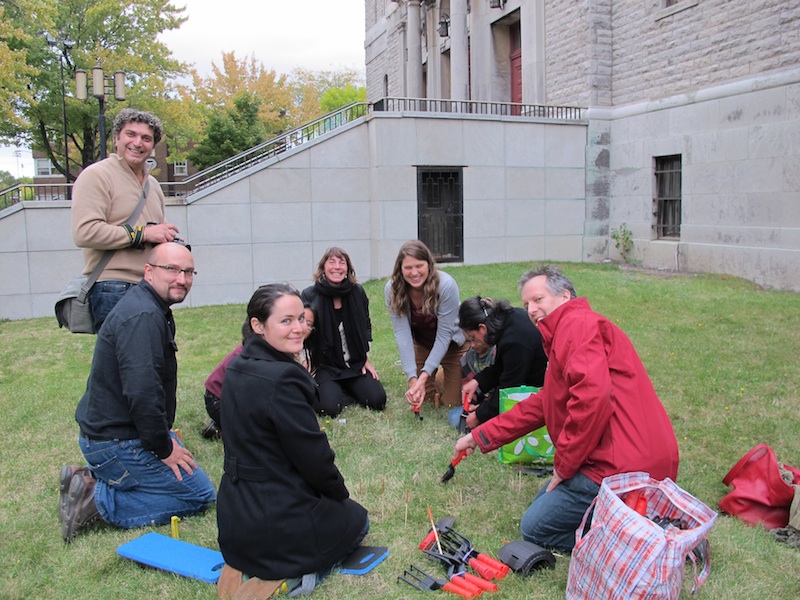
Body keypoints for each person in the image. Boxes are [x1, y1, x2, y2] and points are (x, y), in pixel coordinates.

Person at [454, 265, 679, 552]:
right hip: (637, 456)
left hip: (621, 466)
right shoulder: (568, 332)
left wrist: (564, 466)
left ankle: (644, 537)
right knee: (541, 505)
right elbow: (543, 404)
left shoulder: (576, 326)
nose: (532, 310)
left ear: (565, 296)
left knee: (535, 527)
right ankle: (635, 521)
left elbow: (591, 399)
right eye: (526, 304)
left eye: (538, 299)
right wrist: (481, 436)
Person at [216, 284, 369, 595]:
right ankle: (299, 573)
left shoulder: (237, 366)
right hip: (274, 523)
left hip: (235, 518)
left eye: (301, 318)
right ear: (258, 326)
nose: (299, 328)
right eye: (286, 321)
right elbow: (314, 458)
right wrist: (339, 496)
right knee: (357, 519)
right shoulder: (282, 379)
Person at [58, 242, 216, 543]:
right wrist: (164, 448)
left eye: (188, 272)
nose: (181, 279)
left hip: (126, 433)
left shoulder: (151, 307)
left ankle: (89, 478)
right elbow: (142, 393)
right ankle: (94, 499)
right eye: (171, 269)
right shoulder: (142, 316)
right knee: (198, 495)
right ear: (148, 271)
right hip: (116, 442)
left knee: (187, 474)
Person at [71, 108, 183, 331]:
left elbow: (152, 235)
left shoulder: (154, 186)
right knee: (129, 363)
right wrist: (144, 233)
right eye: (130, 134)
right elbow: (85, 232)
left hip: (151, 286)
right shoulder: (97, 175)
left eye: (146, 138)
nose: (138, 143)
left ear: (153, 146)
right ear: (116, 139)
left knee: (156, 362)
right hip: (113, 286)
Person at [201, 303, 317, 439]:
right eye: (286, 321)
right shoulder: (252, 355)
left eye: (302, 321)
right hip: (218, 399)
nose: (298, 328)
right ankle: (220, 427)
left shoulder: (275, 347)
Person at [385, 240, 469, 412]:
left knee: (452, 404)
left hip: (453, 344)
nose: (414, 272)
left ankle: (445, 373)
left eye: (419, 266)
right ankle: (434, 374)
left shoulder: (446, 285)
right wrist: (412, 378)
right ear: (400, 268)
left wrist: (423, 376)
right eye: (408, 267)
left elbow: (444, 335)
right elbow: (402, 335)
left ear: (429, 265)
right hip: (423, 343)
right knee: (426, 401)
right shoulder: (392, 289)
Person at [301, 247, 386, 417]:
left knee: (377, 400)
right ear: (323, 267)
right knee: (329, 408)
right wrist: (305, 360)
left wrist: (365, 358)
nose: (337, 267)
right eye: (331, 262)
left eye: (342, 262)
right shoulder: (309, 295)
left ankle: (343, 389)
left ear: (348, 268)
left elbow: (366, 326)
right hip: (325, 365)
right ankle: (334, 390)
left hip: (353, 364)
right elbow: (303, 332)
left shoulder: (357, 292)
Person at [457, 296, 548, 429]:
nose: (472, 344)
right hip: (529, 387)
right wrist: (477, 382)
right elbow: (503, 366)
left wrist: (479, 416)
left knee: (456, 418)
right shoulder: (511, 318)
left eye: (473, 338)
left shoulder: (515, 341)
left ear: (482, 328)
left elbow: (508, 389)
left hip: (536, 395)